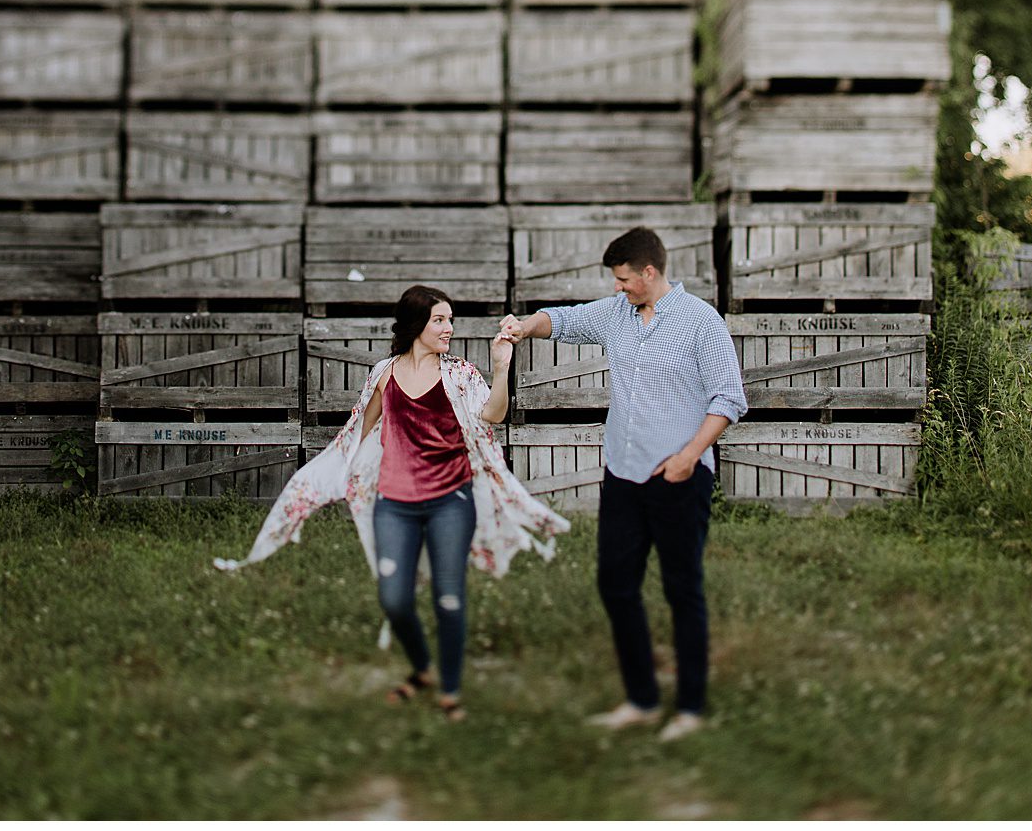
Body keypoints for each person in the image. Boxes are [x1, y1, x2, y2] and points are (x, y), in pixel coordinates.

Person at [216, 284, 569, 723]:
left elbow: (492, 416)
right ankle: (422, 668)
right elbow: (357, 434)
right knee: (395, 599)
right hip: (395, 504)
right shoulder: (384, 373)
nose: (449, 328)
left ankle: (452, 691)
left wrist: (501, 369)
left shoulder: (460, 373)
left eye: (450, 320)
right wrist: (329, 480)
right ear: (416, 324)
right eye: (440, 320)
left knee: (449, 599)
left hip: (450, 501)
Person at [500, 227, 747, 742]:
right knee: (616, 584)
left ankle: (691, 708)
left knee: (683, 590)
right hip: (624, 474)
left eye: (624, 279)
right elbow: (565, 321)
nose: (618, 288)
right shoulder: (615, 315)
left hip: (679, 477)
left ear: (649, 273)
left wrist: (688, 458)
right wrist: (525, 326)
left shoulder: (702, 323)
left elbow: (728, 399)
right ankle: (641, 700)